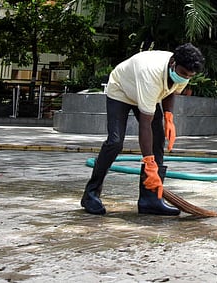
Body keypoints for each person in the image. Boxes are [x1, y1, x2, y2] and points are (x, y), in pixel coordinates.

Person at [80, 43, 205, 216]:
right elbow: (145, 125)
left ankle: (150, 200)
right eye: (183, 74)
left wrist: (169, 117)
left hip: (146, 91)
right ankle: (91, 194)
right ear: (173, 63)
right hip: (122, 90)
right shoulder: (151, 74)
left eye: (189, 76)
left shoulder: (183, 71)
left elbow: (170, 91)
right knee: (115, 142)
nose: (185, 78)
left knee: (159, 137)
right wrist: (149, 163)